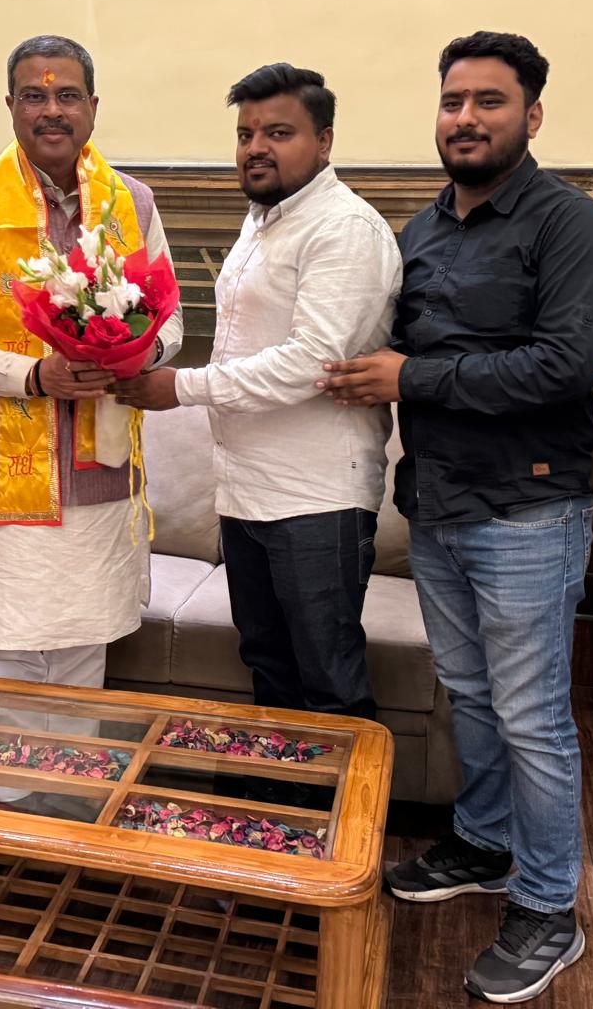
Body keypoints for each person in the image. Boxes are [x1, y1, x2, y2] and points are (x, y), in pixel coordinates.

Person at [319, 32, 593, 1003]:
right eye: (453, 100)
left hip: (527, 507)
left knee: (533, 715)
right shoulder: (420, 231)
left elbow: (560, 369)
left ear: (530, 116)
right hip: (438, 504)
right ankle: (486, 844)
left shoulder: (568, 225)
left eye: (488, 102)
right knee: (470, 693)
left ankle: (548, 907)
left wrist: (412, 377)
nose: (465, 118)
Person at [116, 64, 401, 730]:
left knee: (329, 685)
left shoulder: (343, 228)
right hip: (245, 490)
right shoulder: (263, 221)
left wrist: (180, 386)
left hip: (316, 498)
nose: (255, 148)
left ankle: (347, 801)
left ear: (324, 141)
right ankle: (275, 795)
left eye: (278, 132)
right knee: (268, 667)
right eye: (245, 134)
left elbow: (311, 362)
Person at [0, 34, 183, 768]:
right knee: (5, 650)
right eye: (34, 95)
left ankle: (70, 797)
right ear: (10, 106)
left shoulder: (131, 201)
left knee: (81, 650)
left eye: (67, 94)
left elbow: (171, 323)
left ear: (92, 106)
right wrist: (36, 376)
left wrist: (133, 354)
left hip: (99, 468)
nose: (51, 110)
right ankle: (8, 806)